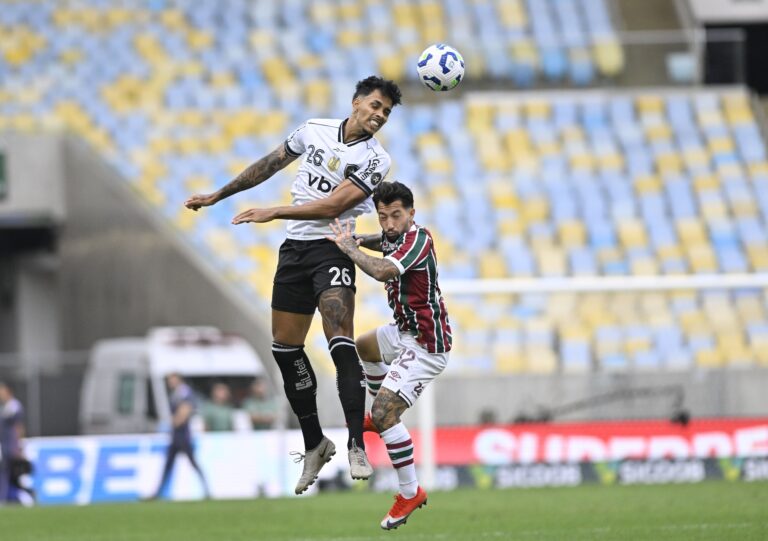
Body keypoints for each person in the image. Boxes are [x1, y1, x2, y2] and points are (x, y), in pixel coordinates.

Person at [184, 75, 403, 494]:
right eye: (375, 106)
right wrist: (217, 195)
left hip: (334, 248)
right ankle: (315, 444)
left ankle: (357, 442)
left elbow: (336, 205)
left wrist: (276, 211)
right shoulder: (313, 130)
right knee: (285, 349)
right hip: (294, 254)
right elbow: (267, 164)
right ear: (356, 101)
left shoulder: (377, 161)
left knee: (341, 343)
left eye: (386, 113)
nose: (379, 116)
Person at [326, 181, 452, 530]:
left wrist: (351, 250)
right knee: (364, 346)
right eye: (383, 216)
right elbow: (383, 241)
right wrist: (356, 239)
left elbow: (383, 269)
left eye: (396, 215)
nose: (390, 223)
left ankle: (410, 491)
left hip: (426, 345)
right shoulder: (396, 235)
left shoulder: (419, 240)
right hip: (404, 333)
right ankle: (382, 414)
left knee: (384, 414)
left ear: (412, 213)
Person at [148, 373, 210, 500]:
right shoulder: (176, 393)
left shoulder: (183, 392)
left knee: (191, 463)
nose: (170, 383)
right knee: (169, 465)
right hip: (176, 435)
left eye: (172, 379)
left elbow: (185, 410)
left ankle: (207, 490)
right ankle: (157, 493)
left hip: (183, 435)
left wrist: (173, 422)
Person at [0, 382, 26, 504]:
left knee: (10, 475)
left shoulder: (14, 406)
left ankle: (5, 499)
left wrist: (18, 446)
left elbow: (18, 427)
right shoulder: (5, 407)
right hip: (5, 446)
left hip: (10, 447)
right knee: (8, 475)